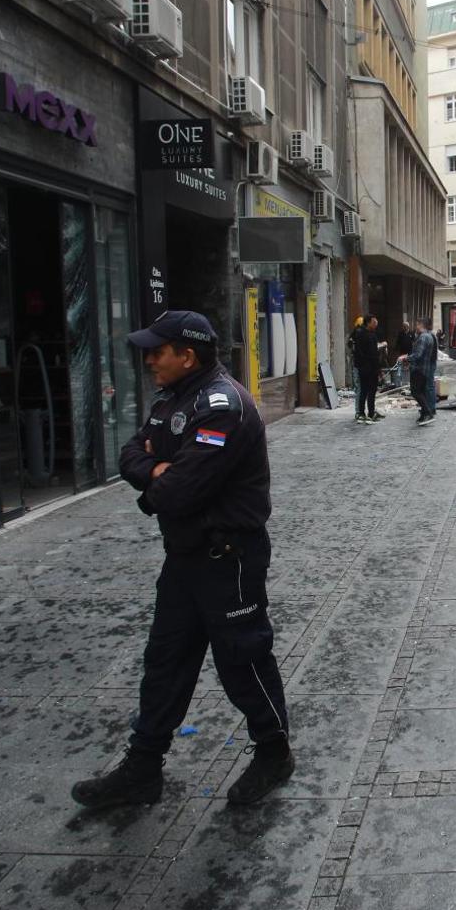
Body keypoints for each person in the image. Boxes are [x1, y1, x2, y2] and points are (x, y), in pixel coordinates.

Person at [72, 310, 291, 810]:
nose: (149, 360)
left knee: (243, 658)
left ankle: (274, 752)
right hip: (184, 558)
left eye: (157, 351)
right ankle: (143, 768)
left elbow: (179, 491)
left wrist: (156, 482)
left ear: (186, 355)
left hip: (228, 558)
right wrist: (156, 469)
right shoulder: (174, 399)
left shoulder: (223, 406)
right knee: (165, 661)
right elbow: (130, 453)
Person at [351, 315, 383, 423]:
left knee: (368, 391)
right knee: (367, 391)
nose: (376, 325)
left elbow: (372, 352)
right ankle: (365, 413)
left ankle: (366, 412)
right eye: (374, 323)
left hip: (367, 367)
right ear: (368, 322)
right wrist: (376, 369)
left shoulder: (365, 334)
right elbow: (370, 354)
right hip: (368, 368)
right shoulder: (365, 334)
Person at [407, 316, 439, 426]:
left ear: (421, 325)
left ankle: (429, 411)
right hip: (425, 367)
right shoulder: (430, 336)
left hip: (421, 368)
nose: (415, 327)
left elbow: (418, 354)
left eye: (417, 324)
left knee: (419, 391)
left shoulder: (424, 337)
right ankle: (426, 412)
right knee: (423, 390)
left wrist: (406, 358)